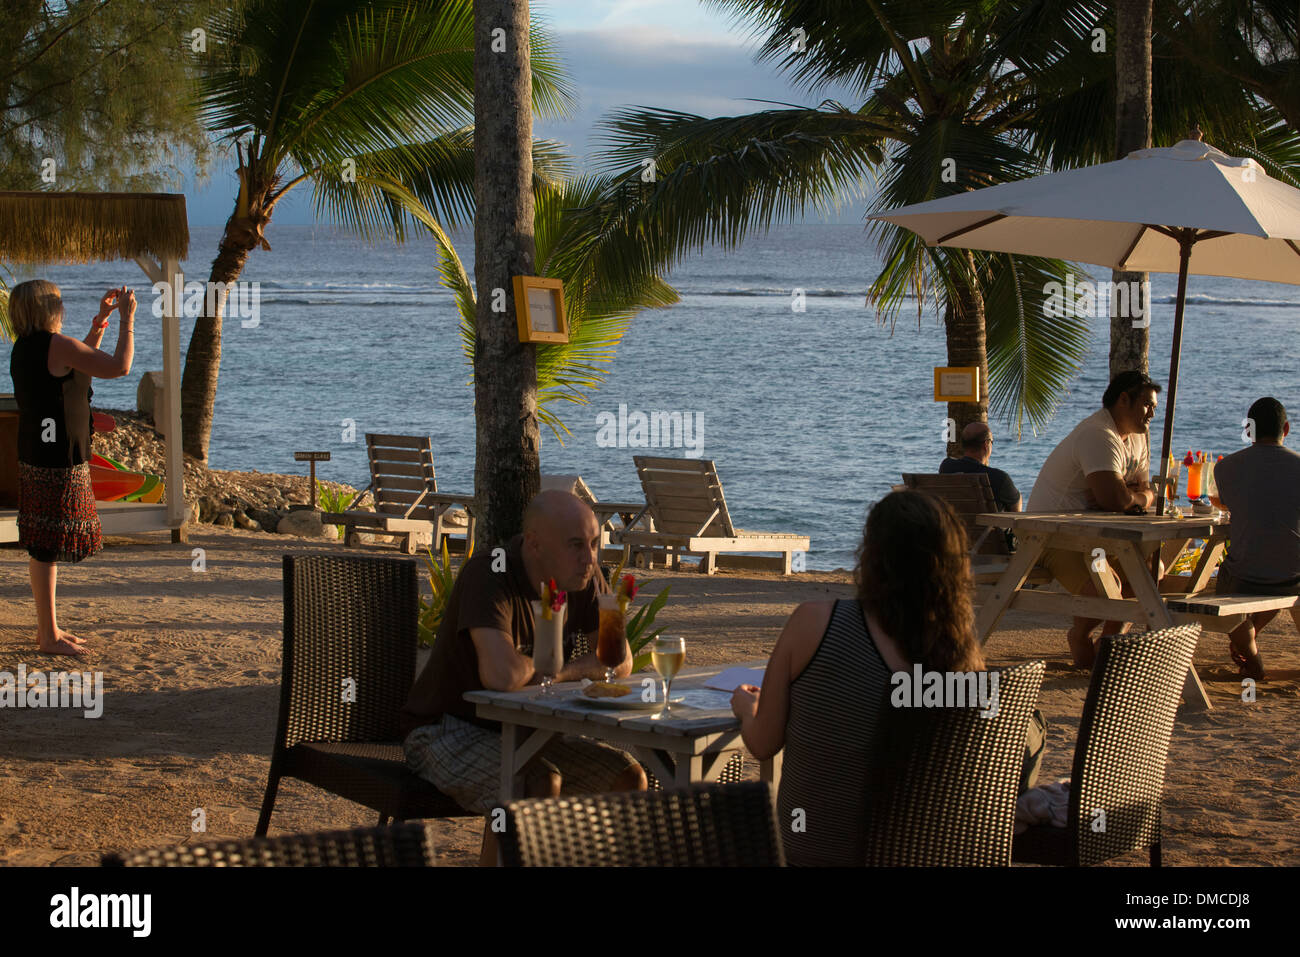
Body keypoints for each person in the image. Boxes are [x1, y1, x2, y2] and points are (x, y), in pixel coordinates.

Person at [728, 490, 1045, 867]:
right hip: (921, 855)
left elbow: (763, 745)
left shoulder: (814, 622)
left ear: (872, 555)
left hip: (812, 852)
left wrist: (749, 708)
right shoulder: (958, 648)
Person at [401, 489, 647, 865]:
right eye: (577, 545)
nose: (590, 557)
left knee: (628, 778)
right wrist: (557, 667)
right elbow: (500, 675)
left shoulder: (585, 574)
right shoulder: (491, 571)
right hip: (445, 729)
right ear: (534, 544)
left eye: (595, 543)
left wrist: (558, 670)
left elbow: (619, 660)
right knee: (535, 782)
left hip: (529, 734)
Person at [8, 280, 135, 656]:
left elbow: (74, 365)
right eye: (58, 302)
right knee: (46, 545)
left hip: (37, 453)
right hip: (58, 458)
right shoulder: (56, 345)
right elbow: (119, 367)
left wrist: (99, 324)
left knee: (42, 543)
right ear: (48, 308)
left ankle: (49, 627)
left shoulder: (26, 347)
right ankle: (48, 636)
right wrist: (128, 320)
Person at [1027, 370, 1161, 667]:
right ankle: (1081, 634)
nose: (1152, 413)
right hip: (1049, 531)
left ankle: (1109, 643)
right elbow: (1115, 499)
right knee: (1107, 586)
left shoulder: (1138, 438)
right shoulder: (1098, 434)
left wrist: (1137, 497)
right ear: (1123, 399)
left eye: (1154, 406)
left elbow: (1138, 492)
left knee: (1152, 569)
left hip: (1094, 532)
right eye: (1147, 405)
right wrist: (1125, 497)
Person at [1212, 397, 1300, 680]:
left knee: (1228, 576)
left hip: (1245, 576)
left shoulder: (1225, 468)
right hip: (1294, 576)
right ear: (1285, 428)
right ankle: (1249, 638)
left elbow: (1228, 504)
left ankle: (1249, 650)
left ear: (1248, 430)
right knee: (1280, 561)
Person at [939, 421, 1021, 511]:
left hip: (954, 524)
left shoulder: (946, 466)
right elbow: (1016, 511)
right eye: (991, 442)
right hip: (988, 525)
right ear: (986, 445)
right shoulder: (999, 478)